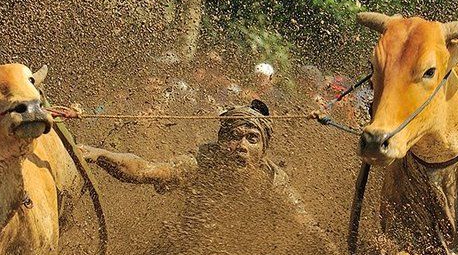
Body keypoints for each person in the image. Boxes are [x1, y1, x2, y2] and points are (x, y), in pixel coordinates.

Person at [77, 100, 334, 247]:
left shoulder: (273, 181)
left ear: (264, 148)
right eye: (235, 137)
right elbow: (146, 170)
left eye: (252, 139)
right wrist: (100, 155)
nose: (242, 147)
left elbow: (308, 226)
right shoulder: (202, 165)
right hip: (191, 252)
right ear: (221, 141)